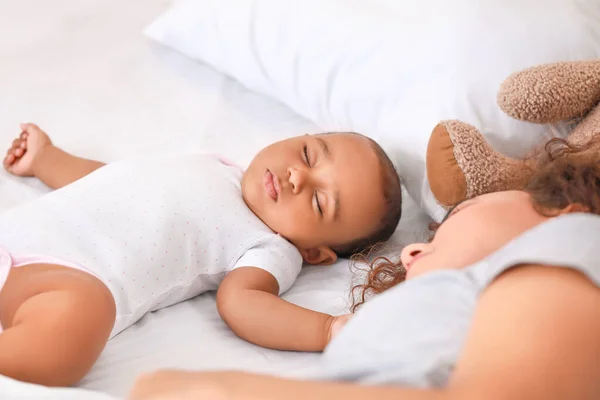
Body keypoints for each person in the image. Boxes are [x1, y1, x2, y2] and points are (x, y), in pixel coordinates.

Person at [128, 135, 600, 400]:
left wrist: (217, 390)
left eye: (457, 215)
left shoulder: (573, 240)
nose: (411, 252)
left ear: (566, 210)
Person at [0, 123, 402, 386]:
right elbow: (111, 179)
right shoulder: (215, 164)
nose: (297, 177)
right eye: (309, 155)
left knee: (82, 317)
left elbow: (243, 303)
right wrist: (46, 159)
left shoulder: (272, 246)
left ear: (315, 252)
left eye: (318, 202)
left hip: (62, 281)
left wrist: (327, 330)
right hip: (19, 229)